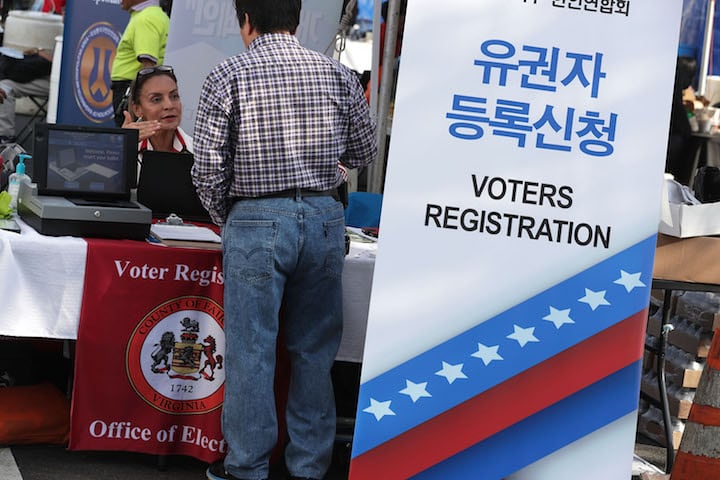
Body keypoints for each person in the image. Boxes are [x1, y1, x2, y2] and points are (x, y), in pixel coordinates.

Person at [191, 0, 377, 478]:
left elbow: (208, 167)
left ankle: (247, 467)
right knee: (314, 352)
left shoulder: (228, 73)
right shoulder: (334, 73)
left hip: (254, 216)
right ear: (296, 20)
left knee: (251, 351)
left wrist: (229, 215)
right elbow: (363, 150)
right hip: (322, 216)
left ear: (245, 21)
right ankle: (308, 468)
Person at [110, 0, 169, 128]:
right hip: (133, 90)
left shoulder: (146, 18)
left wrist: (141, 102)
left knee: (129, 140)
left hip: (132, 91)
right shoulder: (153, 15)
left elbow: (148, 66)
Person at [121, 64, 192, 157]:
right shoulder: (124, 148)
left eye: (174, 96)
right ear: (137, 109)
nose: (169, 105)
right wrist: (120, 148)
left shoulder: (199, 151)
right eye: (156, 99)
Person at [0, 46, 54, 143]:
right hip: (43, 75)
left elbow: (60, 65)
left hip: (58, 82)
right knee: (4, 86)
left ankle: (6, 138)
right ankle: (5, 134)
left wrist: (39, 52)